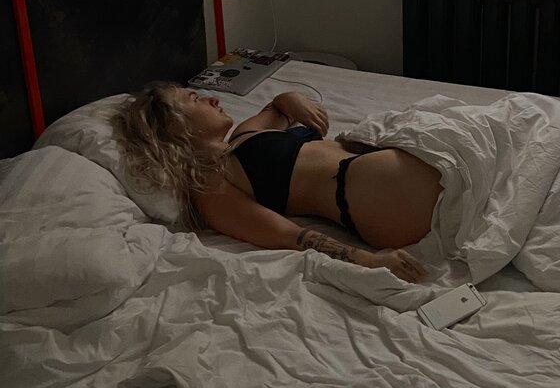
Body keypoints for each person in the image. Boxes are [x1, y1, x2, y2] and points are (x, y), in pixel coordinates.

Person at [114, 83, 436, 284]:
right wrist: (369, 260)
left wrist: (288, 97)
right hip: (377, 197)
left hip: (391, 171)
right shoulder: (209, 183)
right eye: (195, 98)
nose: (212, 98)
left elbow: (277, 108)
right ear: (175, 126)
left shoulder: (244, 134)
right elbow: (284, 234)